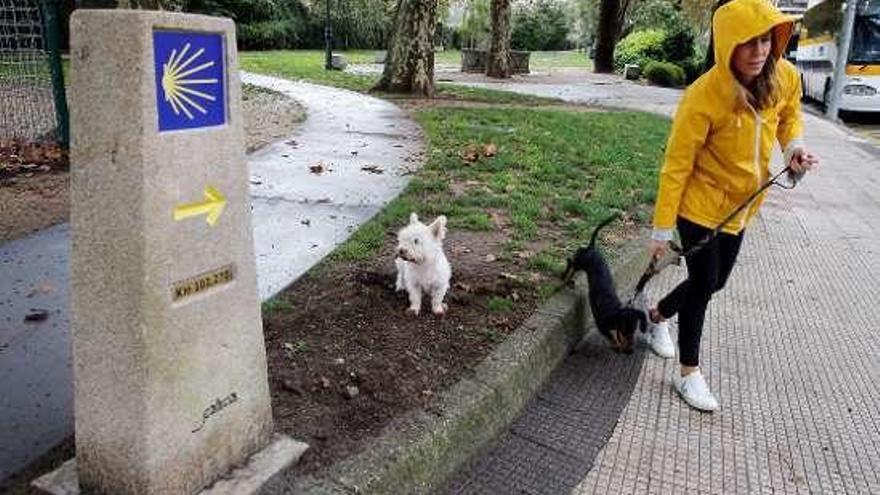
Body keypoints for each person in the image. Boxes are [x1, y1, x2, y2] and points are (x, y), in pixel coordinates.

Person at [643, 0, 819, 412]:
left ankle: (658, 315)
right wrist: (661, 232)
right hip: (699, 206)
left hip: (743, 206)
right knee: (704, 285)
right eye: (748, 43)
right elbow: (676, 165)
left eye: (765, 40)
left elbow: (790, 115)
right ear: (727, 45)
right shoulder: (704, 96)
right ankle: (689, 375)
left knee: (717, 281)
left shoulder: (784, 77)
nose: (759, 51)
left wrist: (794, 148)